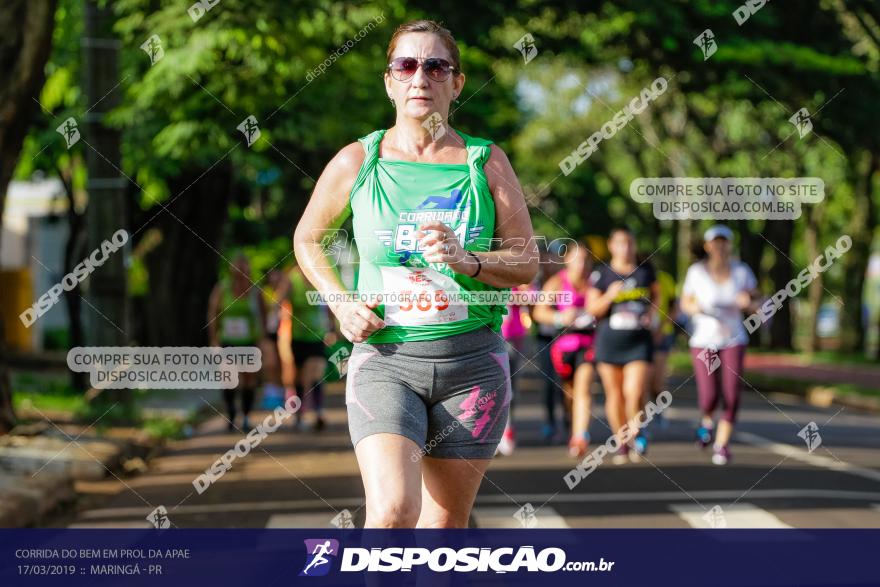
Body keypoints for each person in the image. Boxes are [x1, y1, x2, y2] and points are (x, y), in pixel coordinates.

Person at [293, 19, 538, 528]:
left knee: (442, 530)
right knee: (391, 513)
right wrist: (339, 301)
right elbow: (307, 239)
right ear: (389, 81)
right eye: (405, 65)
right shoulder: (358, 162)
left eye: (435, 66)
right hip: (387, 360)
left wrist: (468, 260)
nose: (419, 78)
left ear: (457, 82)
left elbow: (526, 261)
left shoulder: (485, 162)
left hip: (472, 365)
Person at [679, 225, 761, 465]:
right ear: (707, 246)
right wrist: (696, 308)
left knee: (732, 394)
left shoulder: (742, 271)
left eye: (724, 242)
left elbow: (757, 299)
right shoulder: (696, 272)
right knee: (709, 395)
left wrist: (749, 302)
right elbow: (685, 303)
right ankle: (706, 421)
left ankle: (722, 444)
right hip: (704, 341)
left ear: (730, 245)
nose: (720, 246)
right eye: (715, 242)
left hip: (733, 339)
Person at [588, 227, 658, 463]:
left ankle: (637, 431)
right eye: (620, 243)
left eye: (629, 243)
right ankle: (621, 440)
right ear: (611, 246)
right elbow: (592, 309)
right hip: (609, 341)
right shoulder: (602, 274)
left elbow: (657, 298)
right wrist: (609, 295)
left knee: (634, 391)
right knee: (615, 394)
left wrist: (652, 314)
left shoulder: (645, 271)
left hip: (638, 341)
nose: (626, 248)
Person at [533, 241, 596, 458]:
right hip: (563, 346)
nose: (582, 264)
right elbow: (539, 313)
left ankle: (580, 436)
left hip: (588, 344)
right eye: (577, 259)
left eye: (586, 260)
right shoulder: (557, 282)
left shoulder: (594, 283)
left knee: (584, 389)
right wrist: (560, 317)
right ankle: (571, 422)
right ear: (567, 260)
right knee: (569, 393)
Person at [207, 254, 267, 432]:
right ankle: (231, 412)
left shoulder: (255, 291)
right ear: (231, 269)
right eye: (237, 267)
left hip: (249, 341)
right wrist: (214, 340)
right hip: (228, 341)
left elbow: (263, 315)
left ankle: (246, 415)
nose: (241, 271)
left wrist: (262, 339)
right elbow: (213, 314)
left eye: (244, 267)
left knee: (249, 380)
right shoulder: (222, 289)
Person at [496, 283, 530, 456]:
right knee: (497, 386)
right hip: (492, 336)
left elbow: (531, 297)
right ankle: (500, 433)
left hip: (513, 337)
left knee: (510, 387)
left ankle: (507, 431)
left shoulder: (514, 277)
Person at [649, 268, 679, 431]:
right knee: (639, 382)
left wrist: (662, 327)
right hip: (640, 336)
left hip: (662, 335)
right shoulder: (634, 278)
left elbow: (675, 308)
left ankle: (659, 410)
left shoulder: (665, 279)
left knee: (657, 382)